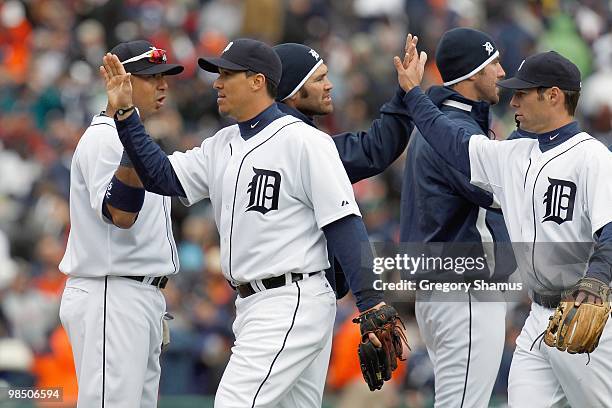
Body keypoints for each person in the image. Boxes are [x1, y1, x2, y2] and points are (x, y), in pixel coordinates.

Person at [101, 38, 398, 407]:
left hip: (291, 299)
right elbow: (161, 175)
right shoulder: (222, 143)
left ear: (257, 81)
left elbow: (343, 222)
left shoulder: (305, 141)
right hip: (255, 305)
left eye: (227, 74)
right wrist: (128, 116)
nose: (216, 83)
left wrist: (370, 302)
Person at [397, 40, 612, 407]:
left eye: (523, 94)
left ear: (553, 96)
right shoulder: (514, 153)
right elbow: (450, 141)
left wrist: (597, 281)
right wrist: (414, 94)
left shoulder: (593, 157)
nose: (512, 101)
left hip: (587, 315)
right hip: (538, 318)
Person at [58, 40, 183, 407]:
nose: (162, 85)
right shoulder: (104, 138)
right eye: (150, 77)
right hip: (111, 292)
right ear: (119, 82)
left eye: (164, 77)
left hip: (136, 295)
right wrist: (129, 124)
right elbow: (120, 213)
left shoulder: (138, 140)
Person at [400, 28, 516, 407]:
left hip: (442, 289)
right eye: (493, 63)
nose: (501, 72)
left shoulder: (441, 124)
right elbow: (502, 196)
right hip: (464, 288)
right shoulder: (454, 129)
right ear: (471, 74)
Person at [273, 39, 415, 299]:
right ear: (292, 92)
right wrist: (370, 301)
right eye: (319, 79)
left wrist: (405, 94)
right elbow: (376, 148)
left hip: (276, 295)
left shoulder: (251, 142)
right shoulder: (303, 145)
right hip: (294, 296)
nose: (329, 85)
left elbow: (374, 148)